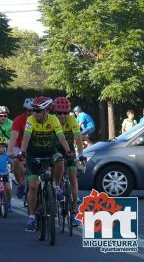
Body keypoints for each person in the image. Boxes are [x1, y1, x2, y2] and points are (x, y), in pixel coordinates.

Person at [18, 96, 74, 232]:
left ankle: (56, 186)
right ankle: (31, 217)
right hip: (33, 154)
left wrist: (68, 150)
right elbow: (26, 137)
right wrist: (22, 152)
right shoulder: (30, 120)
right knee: (33, 186)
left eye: (37, 111)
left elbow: (61, 137)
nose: (34, 113)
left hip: (50, 152)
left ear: (46, 111)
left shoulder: (54, 119)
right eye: (33, 110)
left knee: (60, 159)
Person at [52, 97, 85, 227]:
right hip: (54, 149)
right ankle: (55, 191)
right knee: (55, 171)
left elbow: (77, 137)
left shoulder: (72, 120)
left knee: (73, 178)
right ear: (55, 113)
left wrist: (81, 154)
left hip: (69, 150)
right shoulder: (51, 120)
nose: (63, 116)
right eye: (59, 113)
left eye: (65, 113)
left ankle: (73, 210)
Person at [8, 98, 33, 200]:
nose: (35, 114)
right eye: (33, 111)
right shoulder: (18, 120)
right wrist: (10, 151)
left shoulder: (40, 120)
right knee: (15, 163)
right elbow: (13, 137)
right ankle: (21, 184)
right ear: (27, 111)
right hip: (19, 147)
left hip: (34, 147)